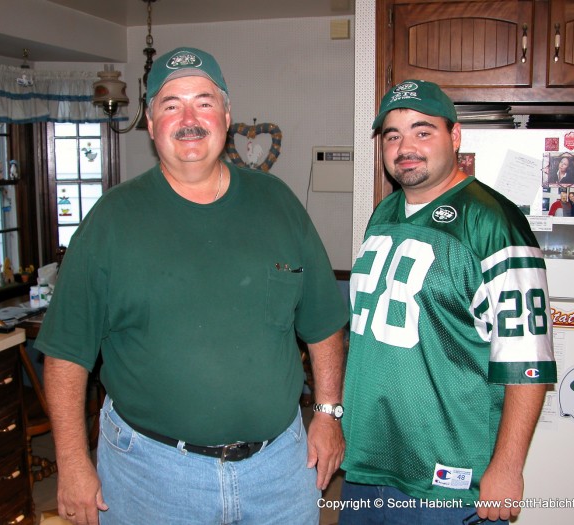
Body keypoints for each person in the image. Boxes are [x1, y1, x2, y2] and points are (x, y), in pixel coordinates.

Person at [35, 47, 348, 525]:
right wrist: (74, 462)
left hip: (279, 473)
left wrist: (327, 413)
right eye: (170, 104)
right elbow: (65, 354)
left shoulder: (278, 204)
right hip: (151, 476)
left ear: (225, 113)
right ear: (148, 119)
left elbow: (324, 324)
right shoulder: (111, 221)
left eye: (203, 101)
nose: (189, 118)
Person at [340, 80, 556, 525]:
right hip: (370, 457)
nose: (406, 147)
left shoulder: (493, 221)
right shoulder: (383, 214)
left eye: (423, 131)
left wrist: (508, 466)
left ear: (454, 137)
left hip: (448, 472)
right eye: (393, 135)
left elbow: (527, 360)